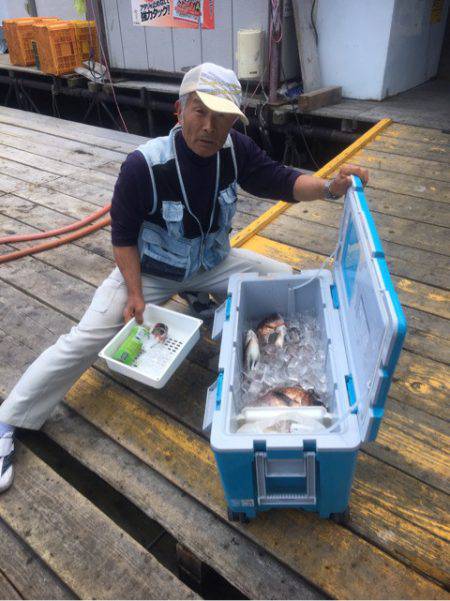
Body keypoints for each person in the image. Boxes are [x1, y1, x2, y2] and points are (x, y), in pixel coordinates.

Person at [0, 62, 368, 492]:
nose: (210, 127)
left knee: (283, 279)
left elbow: (282, 180)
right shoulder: (143, 166)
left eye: (223, 116)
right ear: (179, 110)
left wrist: (329, 187)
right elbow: (121, 238)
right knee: (85, 336)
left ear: (235, 120)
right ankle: (9, 421)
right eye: (200, 111)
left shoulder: (236, 150)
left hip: (211, 264)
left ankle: (206, 303)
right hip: (151, 273)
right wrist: (135, 293)